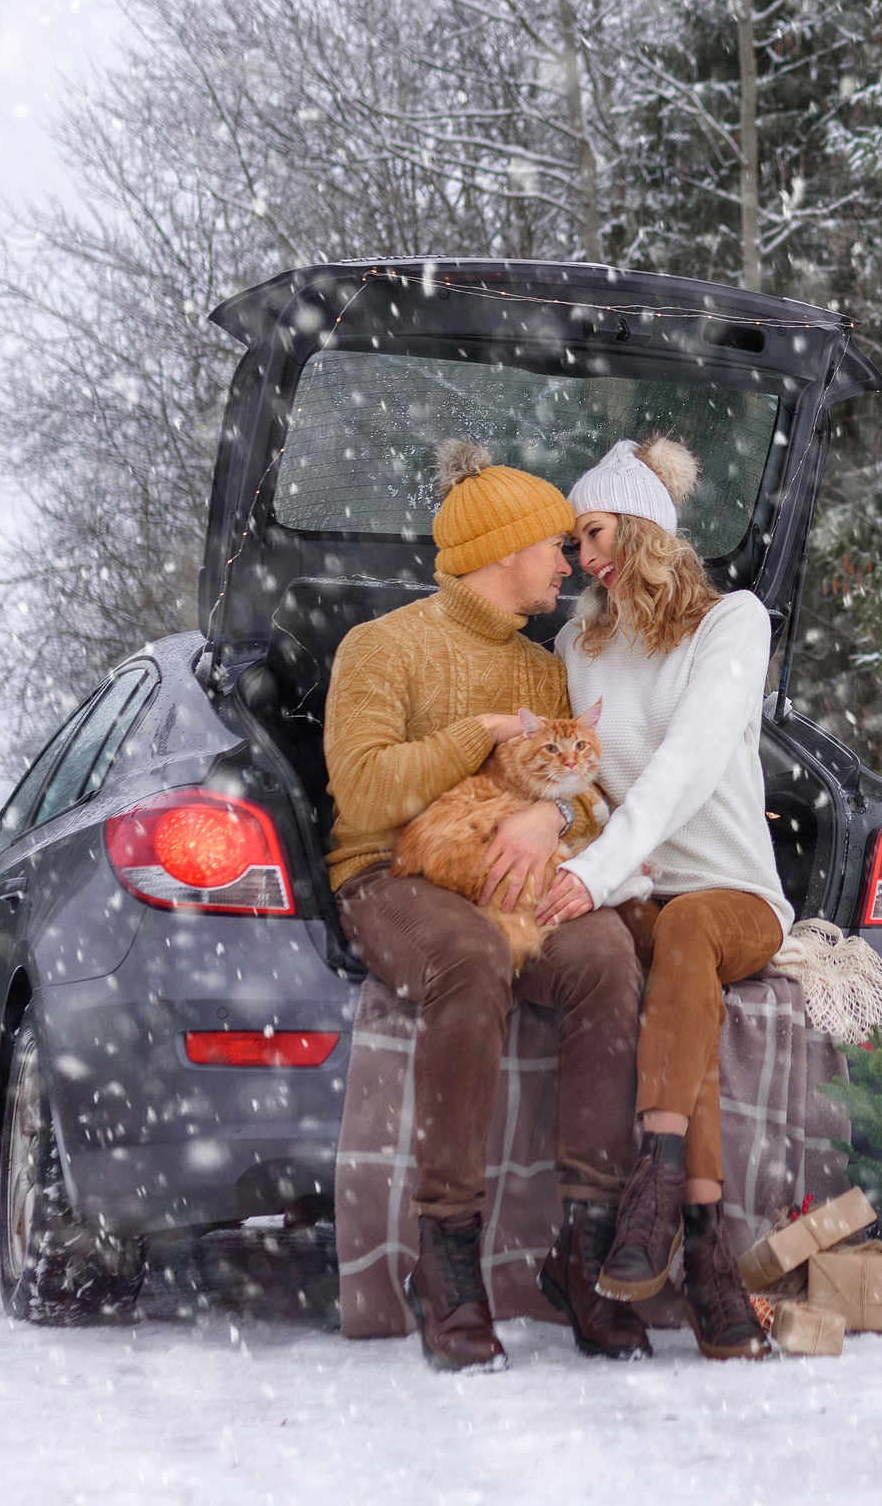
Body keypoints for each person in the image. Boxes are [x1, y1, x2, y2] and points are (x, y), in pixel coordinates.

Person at [323, 439, 651, 1374]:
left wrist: (550, 817)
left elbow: (582, 788)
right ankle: (449, 1261)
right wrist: (478, 734)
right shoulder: (381, 646)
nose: (568, 561)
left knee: (602, 958)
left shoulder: (548, 670)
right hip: (394, 875)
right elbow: (366, 793)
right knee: (469, 955)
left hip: (508, 862)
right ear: (505, 548)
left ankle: (584, 1253)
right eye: (555, 543)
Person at [530, 435, 792, 1361]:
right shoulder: (577, 644)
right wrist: (560, 845)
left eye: (593, 530)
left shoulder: (733, 623)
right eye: (571, 539)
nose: (580, 556)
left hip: (734, 896)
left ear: (641, 527)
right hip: (638, 891)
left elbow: (683, 769)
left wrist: (592, 874)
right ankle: (707, 1249)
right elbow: (580, 781)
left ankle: (659, 1188)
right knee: (681, 998)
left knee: (688, 932)